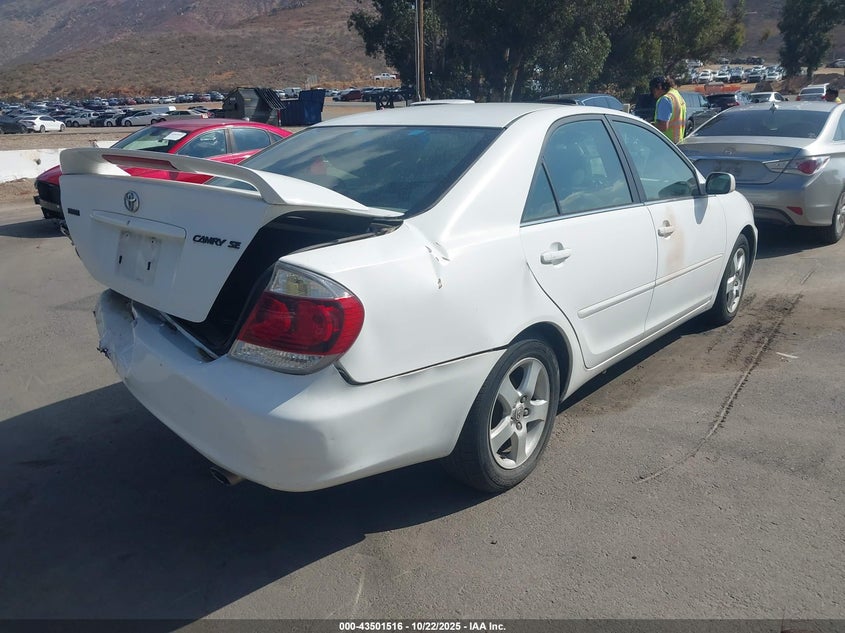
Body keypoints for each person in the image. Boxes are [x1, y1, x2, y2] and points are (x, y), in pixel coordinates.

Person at [649, 76, 687, 143]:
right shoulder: (676, 95)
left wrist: (648, 125)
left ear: (660, 87)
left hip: (665, 143)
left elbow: (663, 126)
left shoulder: (665, 99)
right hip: (677, 141)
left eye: (653, 90)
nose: (653, 95)